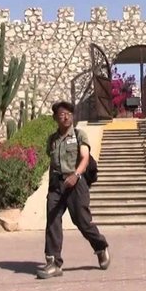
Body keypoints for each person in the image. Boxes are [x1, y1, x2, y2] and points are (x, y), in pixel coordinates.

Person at [36, 101, 110, 279]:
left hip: (76, 183)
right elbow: (52, 161)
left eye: (69, 113)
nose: (66, 116)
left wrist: (76, 175)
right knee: (52, 221)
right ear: (55, 118)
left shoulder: (79, 135)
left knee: (82, 222)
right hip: (56, 185)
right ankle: (53, 262)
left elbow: (84, 158)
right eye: (62, 114)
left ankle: (100, 246)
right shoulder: (52, 140)